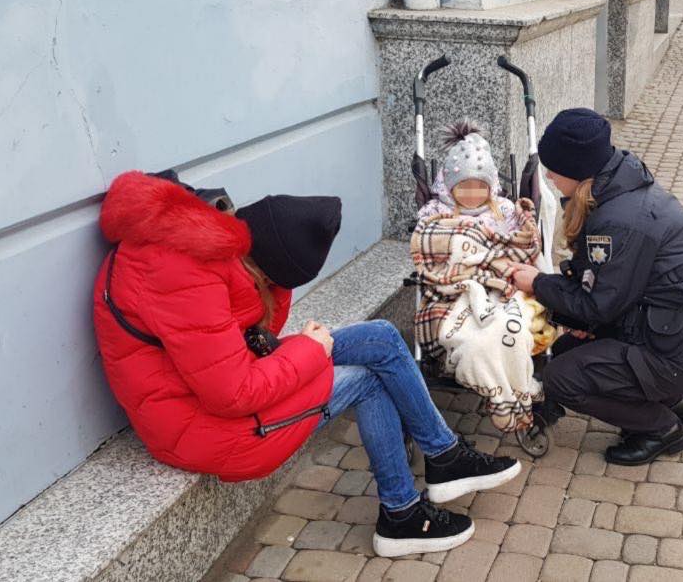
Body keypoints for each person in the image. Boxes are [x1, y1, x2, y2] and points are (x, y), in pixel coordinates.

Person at [92, 171, 520, 558]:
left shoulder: (188, 241)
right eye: (275, 283)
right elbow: (232, 394)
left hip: (213, 388)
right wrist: (311, 350)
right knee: (368, 380)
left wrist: (296, 336)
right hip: (204, 428)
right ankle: (401, 514)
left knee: (382, 338)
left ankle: (445, 456)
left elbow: (240, 340)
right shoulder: (181, 273)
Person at [511, 108, 683, 466]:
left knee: (562, 378)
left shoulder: (619, 221)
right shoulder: (619, 184)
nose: (548, 175)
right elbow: (611, 288)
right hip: (675, 335)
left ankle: (660, 428)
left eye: (554, 168)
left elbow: (597, 306)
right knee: (565, 349)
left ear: (579, 169)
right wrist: (585, 323)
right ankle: (675, 400)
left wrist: (537, 282)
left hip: (679, 349)